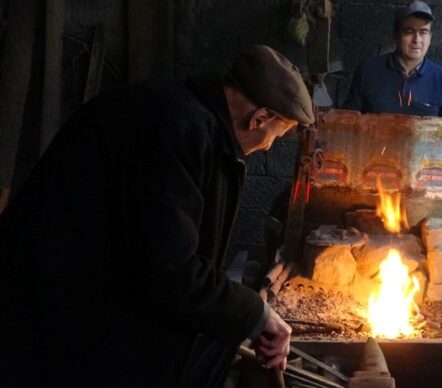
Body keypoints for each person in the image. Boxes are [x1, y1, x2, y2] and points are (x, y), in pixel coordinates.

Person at [0, 45, 312, 387]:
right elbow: (170, 269)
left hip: (74, 299)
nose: (267, 147)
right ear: (260, 118)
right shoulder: (177, 130)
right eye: (274, 137)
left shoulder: (185, 115)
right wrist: (257, 313)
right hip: (53, 313)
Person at [343, 0, 442, 119]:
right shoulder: (368, 71)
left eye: (423, 32)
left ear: (430, 37)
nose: (417, 40)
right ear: (396, 35)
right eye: (409, 32)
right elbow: (347, 121)